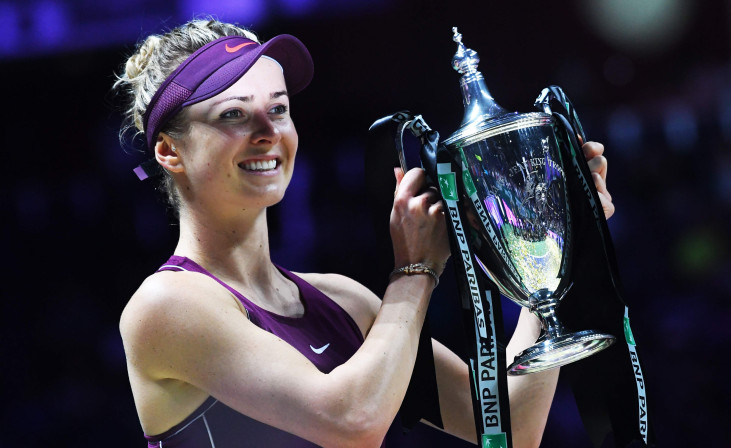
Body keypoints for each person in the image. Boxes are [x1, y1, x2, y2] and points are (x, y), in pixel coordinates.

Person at [114, 18, 615, 448]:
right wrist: (416, 271)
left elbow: (510, 427)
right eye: (233, 114)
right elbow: (352, 424)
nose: (268, 131)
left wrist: (549, 242)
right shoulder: (167, 305)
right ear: (169, 152)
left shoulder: (342, 300)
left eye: (280, 107)